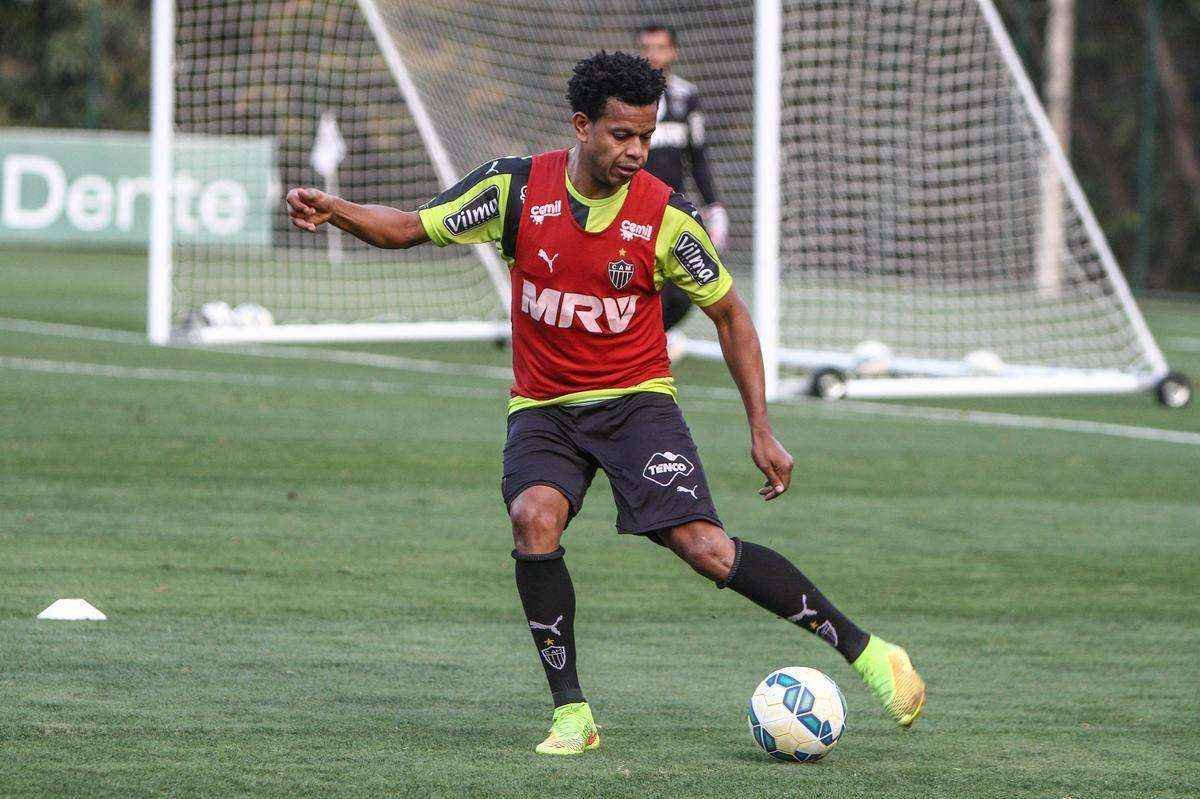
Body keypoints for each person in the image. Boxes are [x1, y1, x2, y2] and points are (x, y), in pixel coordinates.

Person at [286, 51, 924, 757]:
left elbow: (732, 318)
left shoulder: (666, 218)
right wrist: (338, 210)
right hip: (545, 408)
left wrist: (761, 427)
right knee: (534, 519)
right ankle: (573, 716)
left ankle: (870, 653)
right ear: (582, 125)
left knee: (705, 548)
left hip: (636, 405)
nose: (636, 151)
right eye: (622, 135)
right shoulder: (515, 190)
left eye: (646, 137)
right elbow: (410, 226)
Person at [637, 23, 728, 360]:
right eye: (646, 47)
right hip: (630, 208)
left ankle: (647, 340)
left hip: (672, 210)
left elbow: (698, 156)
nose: (652, 54)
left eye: (659, 47)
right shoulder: (625, 97)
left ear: (672, 51)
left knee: (683, 288)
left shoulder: (686, 97)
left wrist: (714, 205)